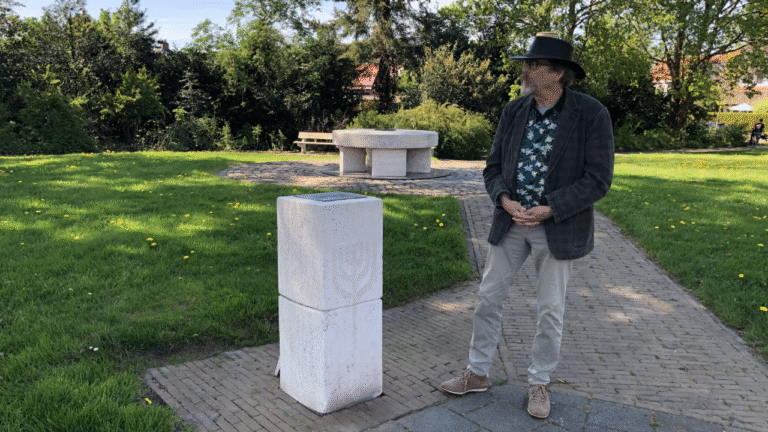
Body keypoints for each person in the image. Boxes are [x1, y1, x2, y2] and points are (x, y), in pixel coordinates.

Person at [440, 33, 615, 420]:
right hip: (511, 222)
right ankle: (478, 371)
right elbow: (493, 168)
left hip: (557, 226)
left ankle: (539, 382)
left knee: (550, 309)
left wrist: (550, 209)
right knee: (488, 297)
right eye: (527, 64)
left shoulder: (591, 114)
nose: (526, 70)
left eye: (534, 65)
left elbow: (598, 179)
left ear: (558, 74)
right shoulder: (514, 110)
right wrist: (503, 199)